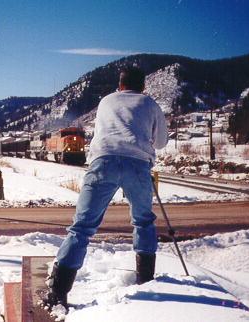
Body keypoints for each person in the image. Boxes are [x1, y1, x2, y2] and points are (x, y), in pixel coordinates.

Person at [44, 66, 168, 310]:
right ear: (143, 86)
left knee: (82, 227)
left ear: (119, 85)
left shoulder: (106, 101)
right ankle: (145, 281)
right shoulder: (151, 104)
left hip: (104, 162)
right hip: (138, 164)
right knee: (143, 221)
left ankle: (57, 293)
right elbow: (161, 142)